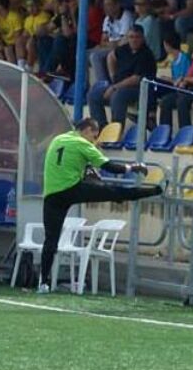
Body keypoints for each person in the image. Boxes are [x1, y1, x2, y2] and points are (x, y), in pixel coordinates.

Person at [37, 118, 161, 292]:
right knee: (114, 191)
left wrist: (87, 173)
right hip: (72, 189)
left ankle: (43, 282)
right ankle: (154, 191)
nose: (93, 141)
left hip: (51, 194)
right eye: (93, 136)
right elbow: (110, 167)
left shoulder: (58, 139)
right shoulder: (82, 143)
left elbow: (67, 164)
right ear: (87, 129)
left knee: (50, 240)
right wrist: (132, 167)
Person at [88, 27, 157, 128]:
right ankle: (101, 128)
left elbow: (136, 79)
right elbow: (111, 56)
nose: (134, 40)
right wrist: (113, 76)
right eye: (131, 37)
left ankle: (116, 131)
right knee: (94, 94)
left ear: (143, 38)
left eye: (137, 37)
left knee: (118, 96)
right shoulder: (125, 48)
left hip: (139, 88)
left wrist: (114, 87)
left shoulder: (146, 54)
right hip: (120, 85)